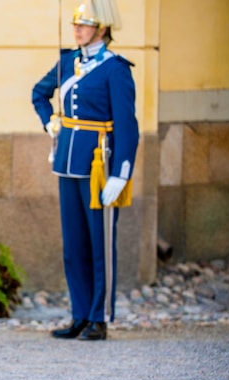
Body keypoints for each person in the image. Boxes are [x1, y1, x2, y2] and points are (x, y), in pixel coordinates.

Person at [31, 1, 139, 341]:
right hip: (67, 162)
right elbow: (39, 93)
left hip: (100, 166)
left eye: (85, 24)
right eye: (75, 24)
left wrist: (121, 174)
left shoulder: (116, 68)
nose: (77, 30)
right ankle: (80, 313)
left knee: (100, 244)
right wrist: (49, 120)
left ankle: (100, 316)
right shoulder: (67, 61)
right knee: (74, 245)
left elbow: (127, 126)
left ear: (102, 28)